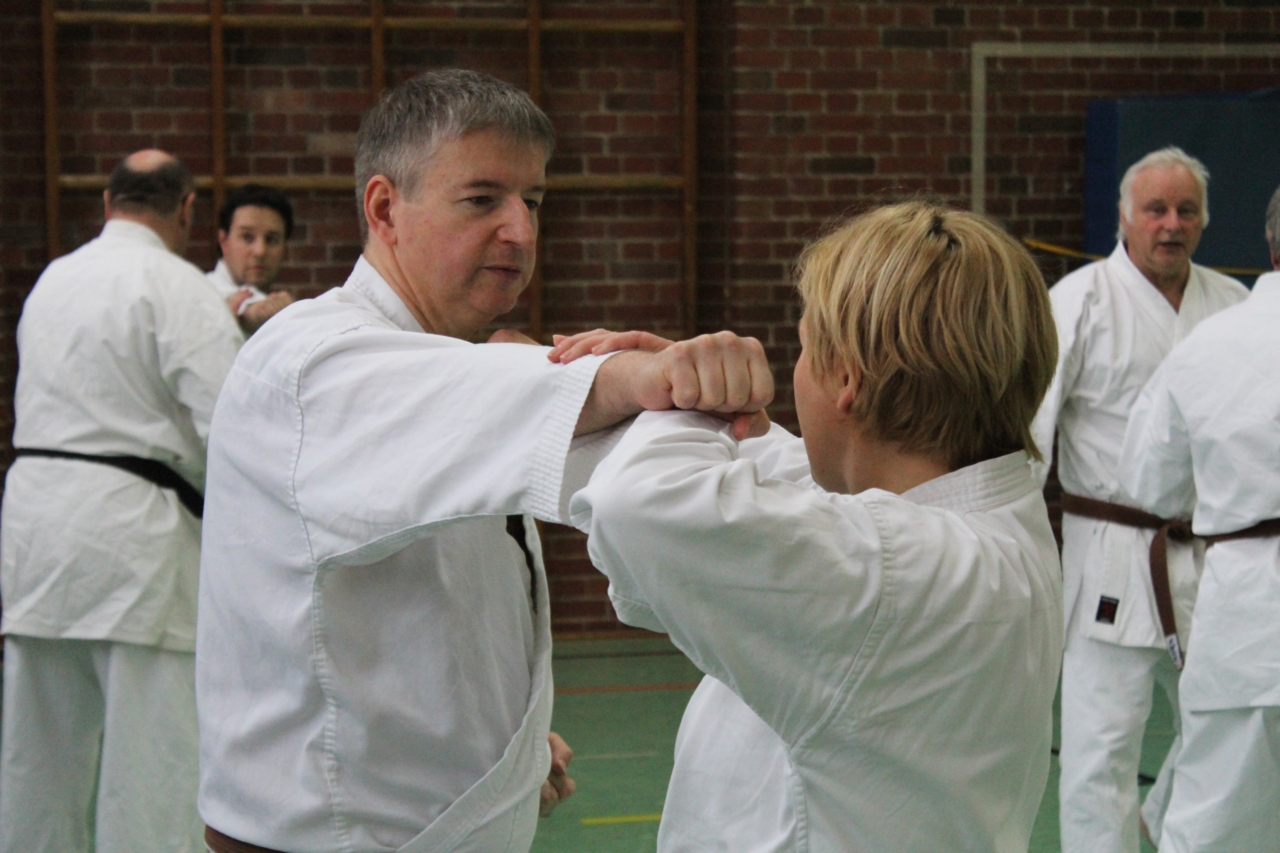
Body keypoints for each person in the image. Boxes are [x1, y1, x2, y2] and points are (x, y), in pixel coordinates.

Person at [195, 69, 772, 853]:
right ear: (384, 209)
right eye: (482, 200)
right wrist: (649, 374)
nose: (521, 232)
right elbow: (475, 393)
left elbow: (431, 613)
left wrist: (506, 746)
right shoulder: (309, 364)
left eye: (532, 201)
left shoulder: (446, 368)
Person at [561, 201, 1063, 852]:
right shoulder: (994, 516)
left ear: (847, 378)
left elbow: (639, 503)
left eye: (804, 348)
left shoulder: (898, 570)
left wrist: (685, 404)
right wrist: (682, 392)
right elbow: (796, 482)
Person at [0, 150, 244, 853]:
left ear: (108, 204)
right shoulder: (178, 286)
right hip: (135, 543)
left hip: (35, 530)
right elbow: (231, 427)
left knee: (36, 759)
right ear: (188, 211)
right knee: (150, 768)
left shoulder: (52, 280)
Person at [1029, 146, 1249, 853]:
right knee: (1101, 748)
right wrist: (1014, 542)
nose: (1171, 224)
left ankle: (1164, 815)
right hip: (1111, 554)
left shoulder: (1233, 306)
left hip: (1215, 551)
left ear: (1205, 221)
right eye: (1156, 209)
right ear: (1124, 217)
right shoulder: (1080, 302)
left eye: (1186, 210)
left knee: (1231, 726)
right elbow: (1033, 429)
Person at [1116, 185, 1280, 853]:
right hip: (1244, 616)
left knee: (1215, 827)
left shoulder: (1210, 345)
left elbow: (1148, 481)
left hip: (1246, 622)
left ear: (1271, 246)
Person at [207, 184, 295, 334]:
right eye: (247, 237)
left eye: (271, 239)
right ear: (223, 241)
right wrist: (253, 314)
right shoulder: (204, 294)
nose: (260, 251)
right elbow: (247, 309)